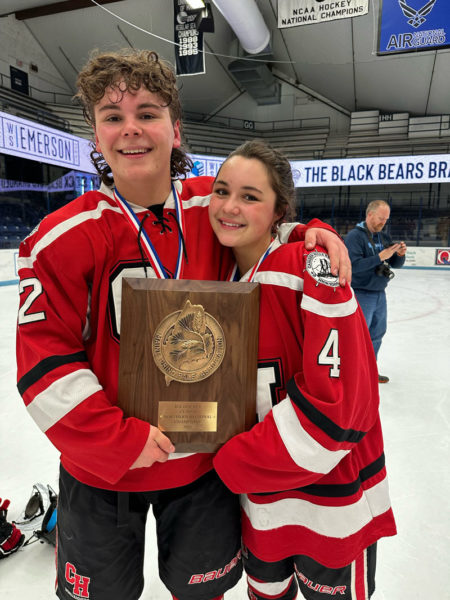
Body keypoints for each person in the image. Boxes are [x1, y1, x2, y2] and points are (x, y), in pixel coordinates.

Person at [15, 49, 350, 600]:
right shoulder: (56, 239)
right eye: (112, 116)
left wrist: (305, 231)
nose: (131, 130)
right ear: (95, 136)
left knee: (201, 593)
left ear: (175, 126)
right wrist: (118, 439)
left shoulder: (213, 208)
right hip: (103, 475)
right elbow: (43, 370)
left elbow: (267, 216)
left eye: (147, 112)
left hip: (202, 467)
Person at [210, 141, 397, 600]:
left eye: (251, 196)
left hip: (329, 502)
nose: (230, 206)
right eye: (221, 191)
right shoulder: (216, 275)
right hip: (260, 503)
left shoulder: (312, 267)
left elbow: (339, 411)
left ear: (280, 211)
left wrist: (233, 462)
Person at [344, 200, 407, 383]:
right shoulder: (355, 237)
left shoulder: (383, 237)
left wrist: (400, 256)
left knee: (377, 334)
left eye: (386, 220)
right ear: (369, 214)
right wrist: (380, 256)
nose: (383, 223)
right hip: (361, 293)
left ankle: (369, 370)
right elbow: (353, 266)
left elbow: (395, 264)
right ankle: (354, 375)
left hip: (379, 294)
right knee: (358, 337)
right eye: (380, 218)